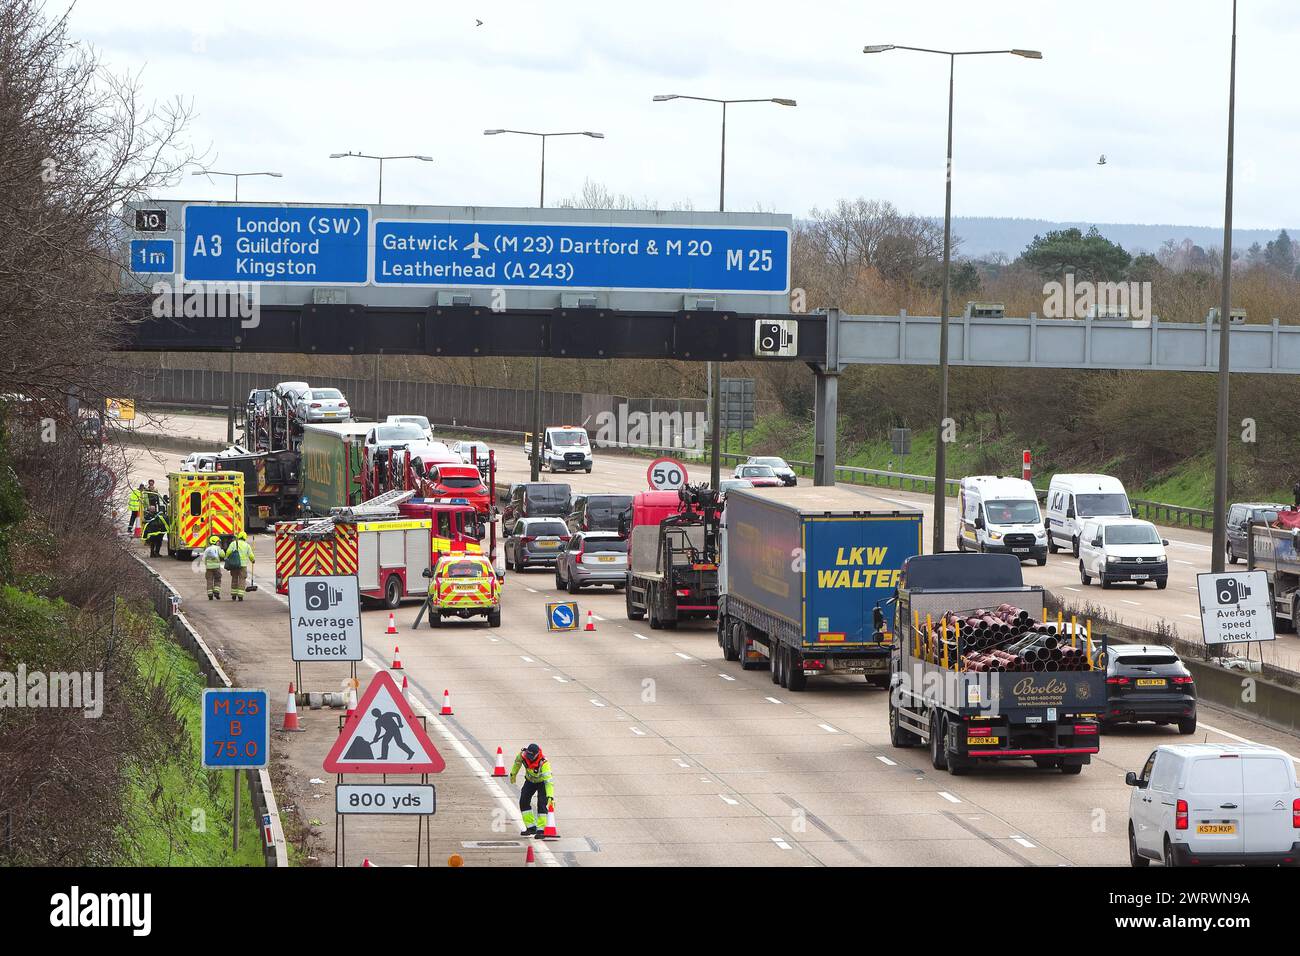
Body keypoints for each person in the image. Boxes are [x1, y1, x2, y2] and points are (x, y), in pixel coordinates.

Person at [509, 743, 555, 838]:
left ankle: (541, 830)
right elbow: (517, 763)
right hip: (530, 781)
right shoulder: (523, 755)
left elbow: (548, 781)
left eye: (531, 756)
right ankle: (531, 827)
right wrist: (513, 773)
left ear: (537, 754)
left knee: (541, 804)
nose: (529, 758)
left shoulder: (543, 763)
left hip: (542, 783)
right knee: (523, 801)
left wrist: (550, 796)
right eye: (528, 755)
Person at [222, 531, 255, 601]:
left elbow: (228, 551)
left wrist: (226, 558)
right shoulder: (247, 545)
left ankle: (233, 595)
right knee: (242, 579)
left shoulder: (233, 543)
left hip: (234, 564)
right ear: (245, 538)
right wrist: (253, 560)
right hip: (243, 565)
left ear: (238, 537)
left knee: (234, 578)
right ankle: (240, 595)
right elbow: (251, 555)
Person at [202, 536, 224, 600]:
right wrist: (222, 550)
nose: (219, 543)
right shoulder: (218, 548)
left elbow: (204, 559)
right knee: (217, 579)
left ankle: (210, 595)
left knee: (209, 580)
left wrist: (206, 564)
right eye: (218, 542)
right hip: (216, 567)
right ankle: (216, 592)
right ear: (215, 542)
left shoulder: (207, 549)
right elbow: (222, 555)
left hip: (208, 568)